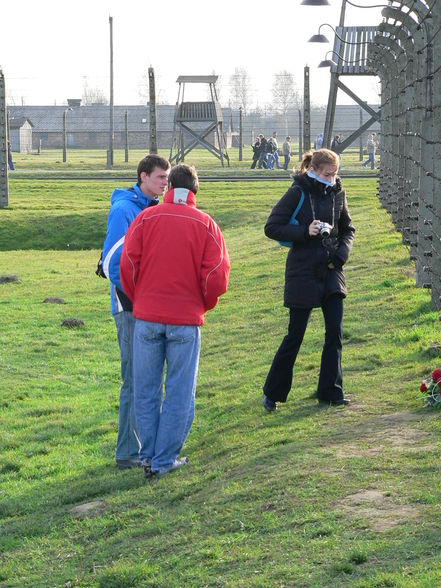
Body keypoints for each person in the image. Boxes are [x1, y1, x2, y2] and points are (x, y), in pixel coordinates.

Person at [120, 164, 230, 478]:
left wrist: (140, 298)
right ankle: (165, 459)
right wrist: (202, 305)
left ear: (169, 188)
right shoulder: (206, 224)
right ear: (195, 190)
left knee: (146, 389)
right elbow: (216, 275)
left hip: (147, 317)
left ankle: (148, 455)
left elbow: (128, 263)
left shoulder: (145, 218)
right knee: (179, 391)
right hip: (185, 319)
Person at [262, 148, 355, 411]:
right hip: (302, 270)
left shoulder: (338, 191)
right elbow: (272, 227)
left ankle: (331, 392)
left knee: (334, 333)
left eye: (336, 174)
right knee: (296, 334)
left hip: (331, 268)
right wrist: (305, 230)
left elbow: (348, 229)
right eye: (328, 174)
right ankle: (273, 393)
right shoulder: (298, 191)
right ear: (313, 171)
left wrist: (341, 256)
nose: (332, 178)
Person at [101, 154, 171, 469]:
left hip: (146, 306)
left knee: (147, 377)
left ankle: (146, 446)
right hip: (130, 308)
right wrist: (137, 298)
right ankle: (127, 452)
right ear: (142, 177)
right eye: (160, 178)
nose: (164, 184)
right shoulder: (124, 210)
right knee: (134, 378)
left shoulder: (152, 209)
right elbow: (112, 262)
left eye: (167, 179)